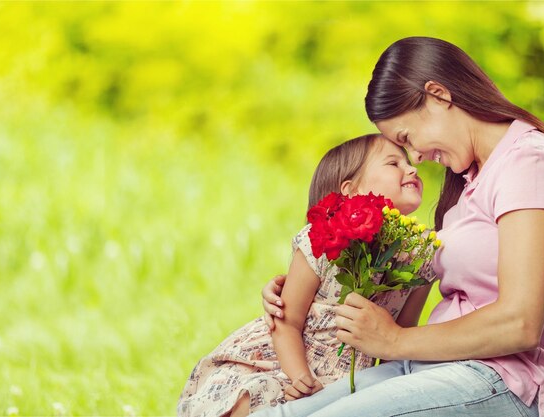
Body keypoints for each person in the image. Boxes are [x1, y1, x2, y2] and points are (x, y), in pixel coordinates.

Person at [256, 37, 544, 417]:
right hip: (432, 368)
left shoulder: (529, 162)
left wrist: (396, 340)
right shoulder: (472, 181)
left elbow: (520, 322)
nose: (415, 157)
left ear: (438, 95)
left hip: (501, 382)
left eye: (406, 138)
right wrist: (299, 286)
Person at [177, 133, 435, 417]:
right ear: (350, 191)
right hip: (283, 361)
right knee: (253, 399)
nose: (412, 168)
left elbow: (401, 335)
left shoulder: (420, 253)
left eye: (408, 162)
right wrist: (300, 379)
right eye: (393, 163)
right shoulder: (323, 240)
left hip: (348, 378)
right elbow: (286, 322)